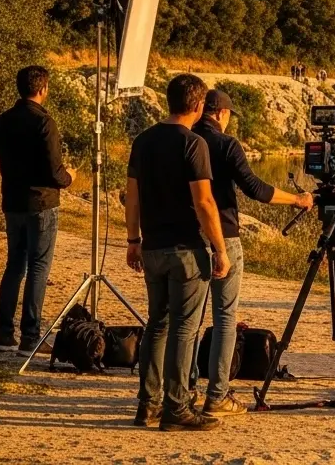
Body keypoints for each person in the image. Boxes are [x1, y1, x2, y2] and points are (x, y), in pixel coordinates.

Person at [189, 89, 312, 417]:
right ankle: (217, 394)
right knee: (225, 317)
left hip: (187, 238)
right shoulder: (225, 144)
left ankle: (184, 390)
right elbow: (255, 189)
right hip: (224, 236)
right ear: (221, 114)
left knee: (190, 320)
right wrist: (297, 200)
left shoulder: (185, 139)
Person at [125, 73, 230, 432]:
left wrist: (132, 240)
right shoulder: (193, 144)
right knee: (184, 329)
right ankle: (177, 406)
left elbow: (133, 196)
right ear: (199, 106)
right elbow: (204, 202)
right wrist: (219, 248)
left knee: (157, 325)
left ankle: (147, 404)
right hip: (185, 249)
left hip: (151, 247)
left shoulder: (143, 141)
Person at [0, 66, 75, 356]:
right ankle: (31, 335)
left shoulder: (2, 121)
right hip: (41, 202)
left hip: (13, 202)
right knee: (39, 267)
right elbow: (55, 171)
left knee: (14, 265)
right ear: (42, 89)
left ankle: (4, 334)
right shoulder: (44, 122)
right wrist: (70, 177)